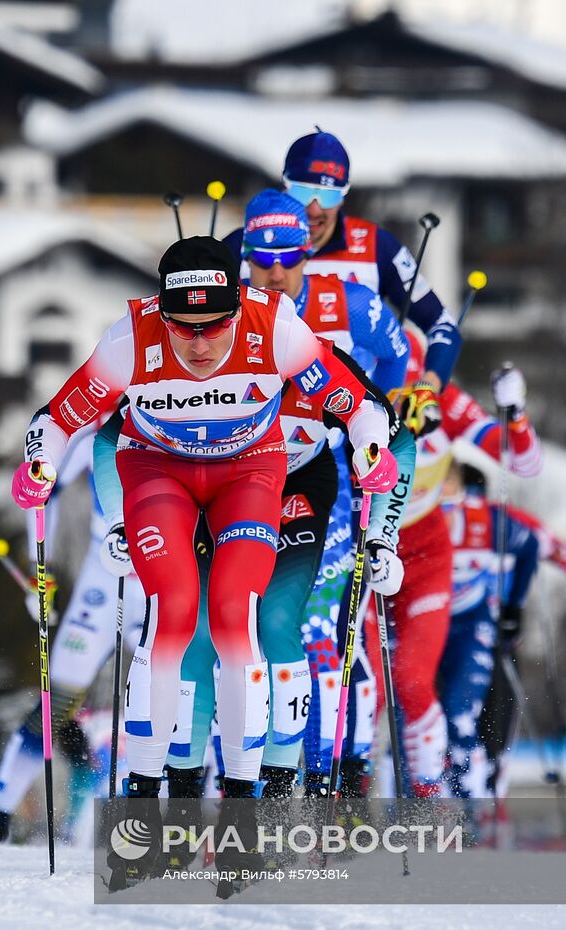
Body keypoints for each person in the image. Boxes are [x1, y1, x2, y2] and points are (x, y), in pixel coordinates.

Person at [10, 236, 398, 821]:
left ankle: (243, 800)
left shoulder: (276, 329)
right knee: (174, 609)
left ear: (237, 307)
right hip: (157, 466)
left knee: (235, 614)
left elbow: (362, 403)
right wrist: (39, 464)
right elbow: (58, 418)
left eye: (213, 326)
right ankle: (144, 794)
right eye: (182, 326)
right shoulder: (130, 339)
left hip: (248, 470)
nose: (197, 343)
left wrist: (372, 448)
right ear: (161, 313)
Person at [129, 191, 415, 802]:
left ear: (309, 253)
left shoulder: (313, 334)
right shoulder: (198, 337)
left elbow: (393, 425)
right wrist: (115, 519)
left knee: (283, 626)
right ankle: (184, 788)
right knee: (200, 630)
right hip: (211, 485)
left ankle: (288, 791)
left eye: (289, 257)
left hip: (301, 487)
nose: (276, 272)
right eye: (261, 261)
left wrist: (384, 530)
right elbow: (116, 432)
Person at [356, 336, 543, 796]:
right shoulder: (353, 386)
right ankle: (349, 796)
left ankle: (428, 801)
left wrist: (514, 412)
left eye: (421, 376)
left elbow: (523, 462)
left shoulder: (443, 399)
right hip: (359, 551)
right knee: (365, 689)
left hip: (423, 555)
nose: (415, 388)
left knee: (414, 682)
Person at [224, 129, 462, 436]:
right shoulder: (245, 242)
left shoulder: (375, 245)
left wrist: (427, 386)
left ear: (344, 195)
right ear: (284, 186)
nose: (313, 208)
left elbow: (441, 324)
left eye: (328, 195)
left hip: (350, 424)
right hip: (259, 423)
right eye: (301, 192)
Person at [0, 426, 146, 842]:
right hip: (100, 586)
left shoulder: (187, 417)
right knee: (56, 703)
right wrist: (40, 574)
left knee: (177, 698)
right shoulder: (94, 436)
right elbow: (43, 492)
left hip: (162, 582)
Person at [438, 462, 566, 802]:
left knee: (485, 714)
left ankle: (486, 793)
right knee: (455, 713)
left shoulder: (501, 520)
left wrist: (514, 606)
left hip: (494, 632)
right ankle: (457, 792)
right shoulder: (440, 517)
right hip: (454, 629)